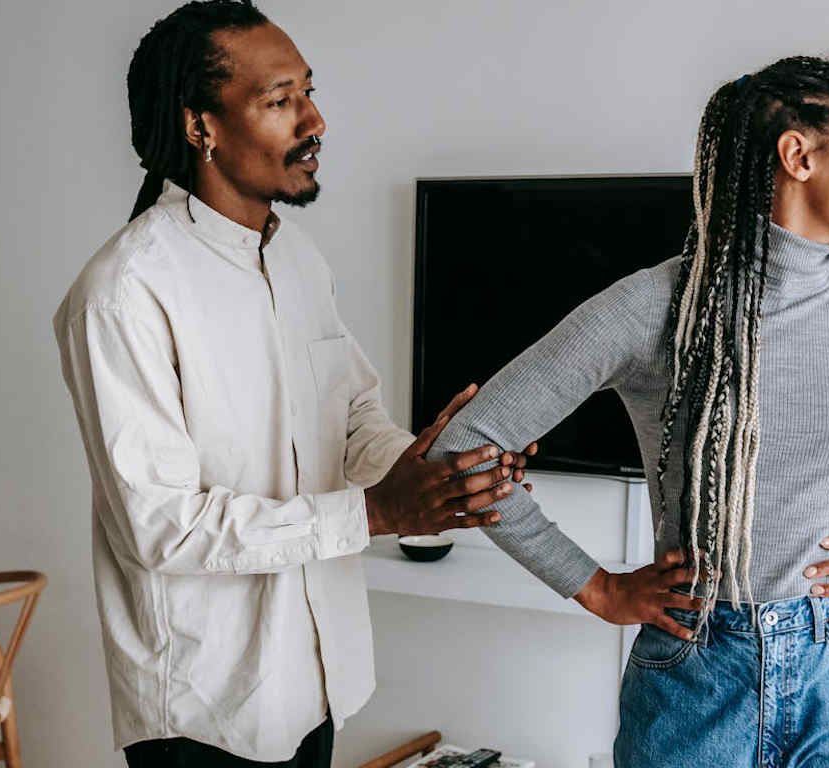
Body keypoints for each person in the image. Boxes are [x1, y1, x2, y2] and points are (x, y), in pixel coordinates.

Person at [427, 56, 829, 766]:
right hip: (694, 676)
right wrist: (595, 587)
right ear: (799, 155)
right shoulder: (651, 308)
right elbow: (465, 445)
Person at [52, 2, 534, 766]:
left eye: (309, 92)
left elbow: (350, 424)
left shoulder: (300, 261)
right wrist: (377, 513)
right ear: (199, 126)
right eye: (280, 100)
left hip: (318, 678)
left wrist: (435, 473)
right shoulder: (122, 294)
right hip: (207, 709)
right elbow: (164, 527)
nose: (315, 119)